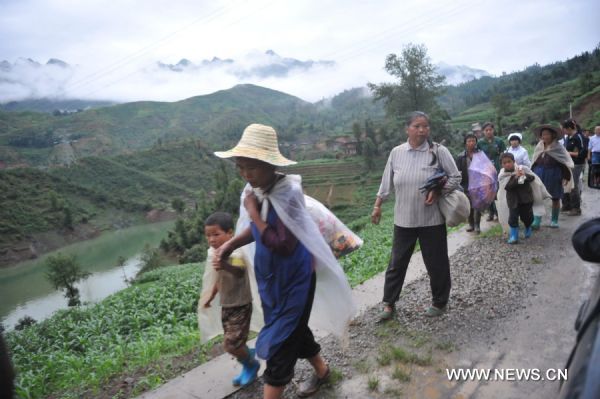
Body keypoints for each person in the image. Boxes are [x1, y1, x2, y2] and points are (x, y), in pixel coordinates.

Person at [214, 123, 355, 399]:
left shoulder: (287, 193)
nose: (245, 174)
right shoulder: (257, 190)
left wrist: (253, 212)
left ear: (269, 164)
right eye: (240, 167)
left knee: (280, 344)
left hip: (295, 279)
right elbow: (257, 230)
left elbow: (283, 244)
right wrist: (230, 243)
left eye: (251, 168)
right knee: (294, 328)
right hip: (272, 282)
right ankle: (323, 372)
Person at [372, 111, 461, 320]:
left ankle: (439, 302)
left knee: (436, 262)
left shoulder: (438, 151)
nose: (422, 130)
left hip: (431, 219)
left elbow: (456, 176)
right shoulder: (396, 152)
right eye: (417, 126)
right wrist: (377, 205)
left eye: (425, 126)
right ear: (407, 129)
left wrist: (439, 190)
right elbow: (386, 182)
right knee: (396, 263)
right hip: (403, 220)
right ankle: (389, 304)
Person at [199, 212, 260, 387]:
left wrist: (224, 264)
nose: (211, 239)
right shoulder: (215, 254)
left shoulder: (236, 252)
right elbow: (219, 279)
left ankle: (252, 364)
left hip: (240, 304)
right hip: (227, 304)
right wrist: (210, 297)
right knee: (233, 342)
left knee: (230, 344)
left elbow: (240, 272)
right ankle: (247, 359)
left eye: (216, 234)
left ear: (230, 233)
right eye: (208, 235)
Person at [531, 124, 574, 228]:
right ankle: (537, 220)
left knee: (555, 197)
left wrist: (566, 177)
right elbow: (534, 160)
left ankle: (554, 220)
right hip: (539, 173)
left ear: (553, 135)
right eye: (543, 134)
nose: (545, 136)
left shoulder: (558, 147)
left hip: (554, 174)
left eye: (547, 134)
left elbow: (566, 162)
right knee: (538, 197)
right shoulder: (540, 145)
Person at [498, 153, 534, 244]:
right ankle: (514, 236)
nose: (507, 164)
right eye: (504, 163)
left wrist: (524, 175)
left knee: (527, 216)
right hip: (513, 200)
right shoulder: (502, 175)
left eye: (509, 162)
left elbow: (532, 177)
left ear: (514, 162)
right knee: (513, 218)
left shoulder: (522, 168)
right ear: (502, 164)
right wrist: (516, 177)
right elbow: (507, 186)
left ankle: (528, 226)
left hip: (525, 198)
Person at [477, 122, 506, 221]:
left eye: (490, 130)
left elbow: (503, 155)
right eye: (486, 130)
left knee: (497, 191)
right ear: (483, 132)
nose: (488, 132)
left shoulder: (499, 141)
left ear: (493, 130)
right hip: (486, 170)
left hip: (497, 168)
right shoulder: (480, 143)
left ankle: (499, 212)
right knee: (488, 192)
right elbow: (478, 156)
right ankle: (491, 213)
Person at [456, 133, 482, 233]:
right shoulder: (460, 157)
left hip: (478, 183)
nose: (471, 143)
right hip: (466, 184)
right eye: (469, 141)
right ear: (465, 143)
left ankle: (477, 225)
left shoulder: (480, 154)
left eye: (473, 141)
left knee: (477, 206)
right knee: (469, 205)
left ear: (476, 142)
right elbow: (457, 171)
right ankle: (471, 224)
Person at [561, 119, 586, 216]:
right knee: (566, 184)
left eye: (565, 129)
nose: (564, 131)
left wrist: (568, 153)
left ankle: (576, 208)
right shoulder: (568, 137)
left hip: (576, 164)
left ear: (570, 128)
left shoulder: (578, 137)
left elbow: (580, 153)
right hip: (568, 163)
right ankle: (567, 205)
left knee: (573, 185)